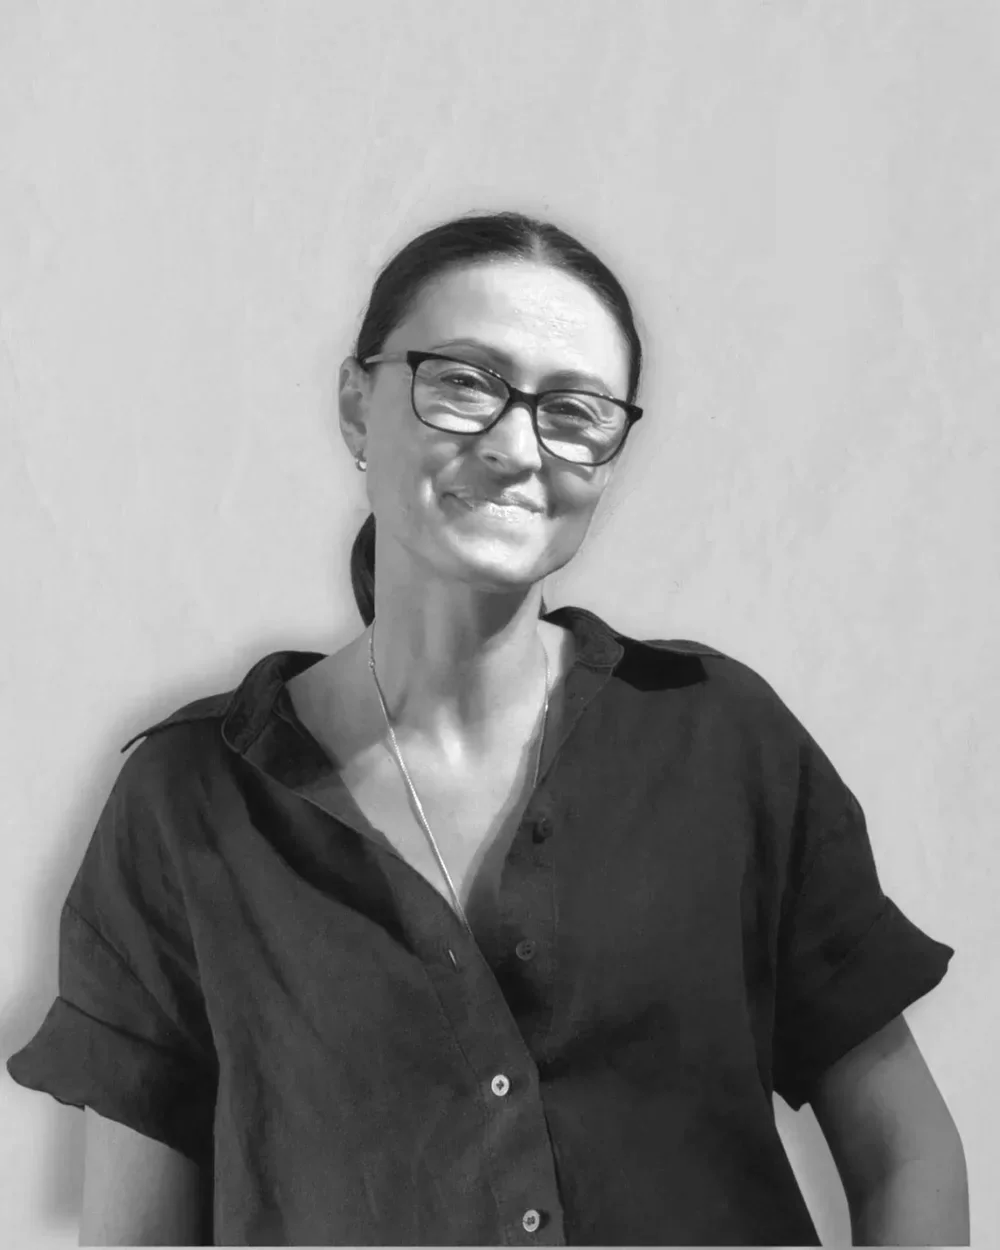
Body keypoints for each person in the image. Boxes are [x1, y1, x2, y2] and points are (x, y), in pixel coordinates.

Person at [7, 210, 968, 1247]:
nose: (518, 446)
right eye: (463, 381)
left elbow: (907, 1149)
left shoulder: (722, 744)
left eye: (575, 409)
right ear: (355, 405)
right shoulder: (189, 806)